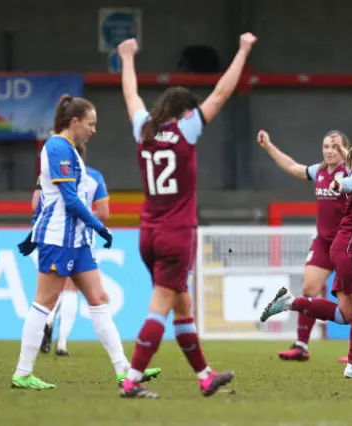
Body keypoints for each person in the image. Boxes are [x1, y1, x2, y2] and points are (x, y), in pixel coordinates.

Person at [116, 32, 257, 398]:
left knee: (182, 306)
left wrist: (128, 58)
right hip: (177, 234)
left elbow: (131, 95)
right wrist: (242, 50)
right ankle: (131, 379)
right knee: (160, 306)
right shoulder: (186, 130)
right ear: (183, 112)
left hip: (147, 232)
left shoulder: (143, 129)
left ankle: (206, 376)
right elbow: (222, 93)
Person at [12, 95, 160, 390]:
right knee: (44, 302)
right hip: (59, 237)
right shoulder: (56, 147)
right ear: (75, 122)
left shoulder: (70, 150)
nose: (94, 130)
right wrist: (98, 226)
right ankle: (23, 372)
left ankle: (124, 370)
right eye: (90, 124)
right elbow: (68, 199)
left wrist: (91, 230)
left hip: (77, 240)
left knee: (99, 299)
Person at [260, 129, 352, 378]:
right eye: (326, 146)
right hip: (349, 247)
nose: (329, 150)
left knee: (345, 314)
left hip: (344, 246)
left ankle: (289, 303)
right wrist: (341, 184)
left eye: (335, 147)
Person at [37, 142, 111, 356]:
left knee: (52, 287)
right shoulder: (94, 176)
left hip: (53, 231)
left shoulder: (49, 172)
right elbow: (104, 213)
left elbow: (36, 204)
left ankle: (48, 320)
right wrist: (87, 216)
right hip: (81, 235)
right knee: (72, 289)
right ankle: (62, 343)